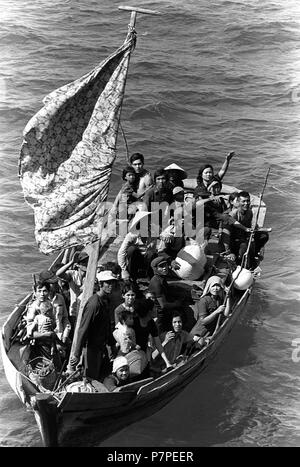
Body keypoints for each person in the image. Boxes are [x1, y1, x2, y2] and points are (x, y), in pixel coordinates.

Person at [66, 270, 118, 380]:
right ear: (100, 284)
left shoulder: (105, 301)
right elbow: (83, 329)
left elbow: (107, 326)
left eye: (112, 283)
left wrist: (112, 344)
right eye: (108, 283)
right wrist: (76, 353)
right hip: (91, 348)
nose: (111, 286)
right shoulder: (94, 304)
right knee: (90, 377)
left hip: (101, 346)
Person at [229, 191, 269, 267]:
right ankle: (240, 264)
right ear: (238, 202)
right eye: (243, 201)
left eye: (248, 201)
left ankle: (255, 255)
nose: (246, 203)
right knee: (244, 246)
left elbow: (250, 225)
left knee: (264, 236)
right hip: (235, 240)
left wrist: (253, 230)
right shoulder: (233, 214)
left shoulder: (249, 212)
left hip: (245, 236)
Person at [133, 298, 174, 373]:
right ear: (149, 311)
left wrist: (167, 362)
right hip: (132, 354)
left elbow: (158, 344)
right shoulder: (134, 322)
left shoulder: (151, 323)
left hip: (144, 355)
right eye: (154, 307)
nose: (156, 309)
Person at [56, 250, 88, 336]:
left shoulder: (91, 275)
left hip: (86, 309)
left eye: (87, 262)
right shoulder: (73, 274)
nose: (86, 264)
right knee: (75, 331)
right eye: (84, 262)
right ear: (78, 265)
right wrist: (71, 262)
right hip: (74, 309)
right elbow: (59, 274)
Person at [117, 210, 156, 282]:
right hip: (133, 260)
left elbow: (153, 250)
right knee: (132, 249)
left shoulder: (152, 234)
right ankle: (132, 277)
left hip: (146, 260)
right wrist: (123, 270)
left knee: (151, 253)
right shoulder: (132, 235)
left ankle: (150, 277)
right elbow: (122, 252)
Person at [148, 256, 183, 333]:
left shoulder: (161, 278)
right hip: (160, 316)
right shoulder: (156, 283)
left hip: (165, 313)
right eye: (161, 266)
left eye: (165, 265)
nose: (165, 268)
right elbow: (163, 305)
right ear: (155, 269)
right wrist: (177, 304)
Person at [189, 275, 230, 340]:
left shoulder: (219, 299)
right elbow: (203, 322)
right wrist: (217, 311)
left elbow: (226, 314)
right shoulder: (204, 300)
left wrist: (228, 298)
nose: (215, 288)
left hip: (210, 333)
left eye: (218, 286)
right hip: (199, 334)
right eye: (213, 286)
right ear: (209, 287)